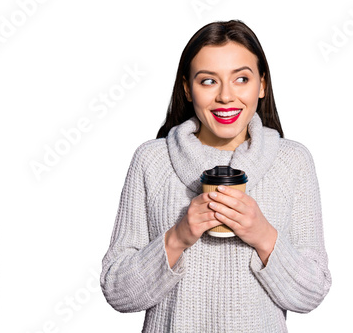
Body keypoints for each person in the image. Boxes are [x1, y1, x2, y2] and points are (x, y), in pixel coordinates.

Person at [100, 19, 332, 333]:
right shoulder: (151, 160)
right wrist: (178, 237)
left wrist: (263, 235)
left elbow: (311, 293)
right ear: (187, 87)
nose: (226, 96)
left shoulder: (292, 161)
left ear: (261, 85)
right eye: (209, 81)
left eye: (241, 79)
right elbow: (117, 291)